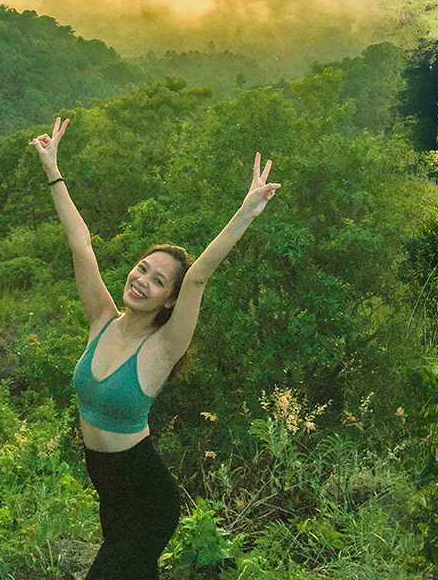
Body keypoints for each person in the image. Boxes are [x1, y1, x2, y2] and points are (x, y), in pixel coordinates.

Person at [31, 116, 280, 579]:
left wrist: (246, 211)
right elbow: (81, 245)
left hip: (147, 500)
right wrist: (52, 168)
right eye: (142, 268)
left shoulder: (164, 347)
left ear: (170, 300)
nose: (142, 281)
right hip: (109, 492)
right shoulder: (102, 319)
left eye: (158, 281)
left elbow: (200, 275)